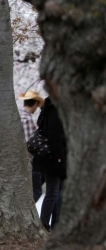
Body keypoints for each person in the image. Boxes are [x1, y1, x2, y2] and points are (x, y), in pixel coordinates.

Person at [32, 97, 66, 231]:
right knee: (53, 192)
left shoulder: (46, 109)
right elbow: (55, 136)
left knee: (54, 192)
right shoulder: (54, 110)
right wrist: (60, 159)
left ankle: (50, 224)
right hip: (54, 158)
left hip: (48, 158)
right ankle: (46, 224)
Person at [18, 90, 45, 202]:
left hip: (20, 162)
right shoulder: (28, 120)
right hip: (30, 162)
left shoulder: (19, 116)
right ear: (34, 104)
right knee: (36, 192)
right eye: (37, 105)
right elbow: (30, 144)